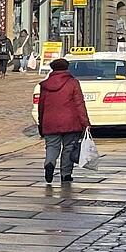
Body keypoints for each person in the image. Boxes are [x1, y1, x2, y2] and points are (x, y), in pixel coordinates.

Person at [36, 56, 92, 184]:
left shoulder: (45, 85)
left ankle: (49, 163)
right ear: (67, 68)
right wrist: (85, 123)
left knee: (51, 147)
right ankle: (66, 174)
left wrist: (41, 122)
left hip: (50, 122)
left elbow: (41, 105)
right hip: (70, 122)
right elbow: (79, 104)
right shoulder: (73, 83)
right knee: (68, 148)